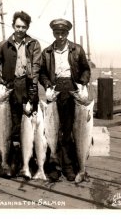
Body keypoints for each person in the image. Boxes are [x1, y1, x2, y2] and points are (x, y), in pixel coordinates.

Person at [0, 11, 41, 177]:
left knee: (30, 127)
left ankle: (29, 162)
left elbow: (36, 69)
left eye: (23, 27)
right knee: (10, 127)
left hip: (28, 87)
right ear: (13, 26)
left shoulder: (34, 44)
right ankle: (10, 162)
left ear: (27, 28)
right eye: (18, 26)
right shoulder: (4, 45)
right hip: (10, 89)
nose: (20, 29)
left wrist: (32, 95)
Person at [39, 18, 91, 181]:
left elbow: (85, 70)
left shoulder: (77, 49)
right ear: (53, 33)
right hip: (54, 91)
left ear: (67, 33)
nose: (60, 36)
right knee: (52, 130)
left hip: (72, 90)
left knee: (68, 131)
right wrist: (47, 86)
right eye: (57, 33)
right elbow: (42, 73)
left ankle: (68, 166)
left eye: (63, 33)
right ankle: (53, 166)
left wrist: (82, 84)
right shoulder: (47, 52)